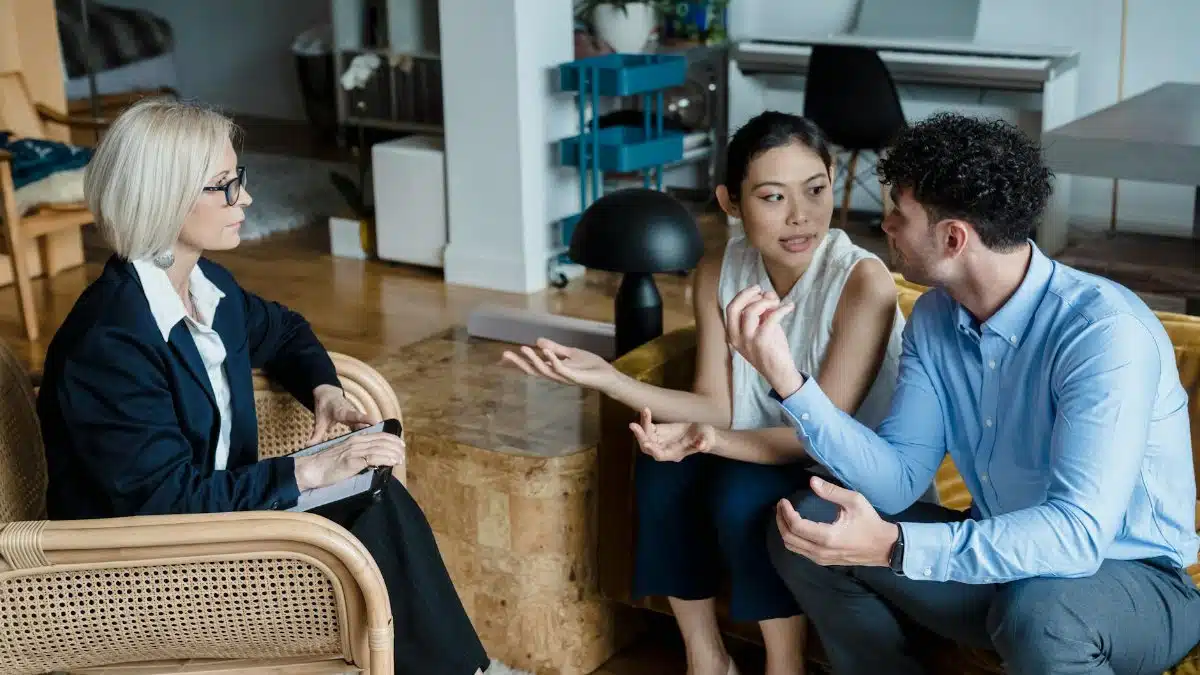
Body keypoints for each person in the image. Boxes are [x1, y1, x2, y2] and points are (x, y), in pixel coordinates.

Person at [717, 111, 1200, 675]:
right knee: (809, 523)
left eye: (899, 214)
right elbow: (899, 477)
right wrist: (789, 382)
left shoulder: (1103, 333)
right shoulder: (934, 316)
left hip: (1133, 586)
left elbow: (1077, 538)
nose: (887, 226)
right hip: (1003, 569)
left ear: (952, 238)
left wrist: (894, 546)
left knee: (1041, 611)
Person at [36, 98, 490, 675]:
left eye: (238, 180)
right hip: (137, 572)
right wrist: (310, 470)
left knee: (373, 493)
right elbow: (161, 504)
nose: (244, 199)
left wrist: (324, 389)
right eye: (223, 185)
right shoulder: (110, 342)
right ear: (165, 197)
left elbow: (285, 331)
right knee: (364, 501)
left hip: (213, 522)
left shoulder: (204, 288)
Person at [502, 111, 909, 675]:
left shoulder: (862, 282)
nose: (801, 216)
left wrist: (707, 438)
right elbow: (716, 403)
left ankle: (782, 665)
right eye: (771, 197)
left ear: (833, 178)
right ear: (730, 202)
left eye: (816, 190)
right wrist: (609, 378)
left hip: (840, 461)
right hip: (754, 442)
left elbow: (821, 437)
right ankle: (705, 657)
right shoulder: (721, 268)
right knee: (660, 467)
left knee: (741, 493)